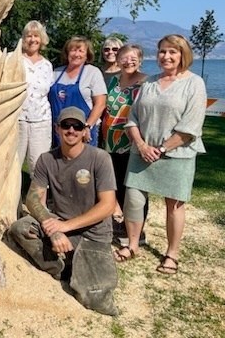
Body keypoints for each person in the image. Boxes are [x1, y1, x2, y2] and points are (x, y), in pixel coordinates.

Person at [8, 106, 118, 316]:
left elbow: (108, 205)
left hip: (92, 234)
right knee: (20, 228)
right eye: (66, 125)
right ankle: (58, 268)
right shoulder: (46, 159)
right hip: (59, 225)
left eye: (77, 126)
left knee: (97, 301)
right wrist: (54, 229)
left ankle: (75, 265)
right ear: (57, 128)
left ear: (85, 130)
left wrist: (65, 226)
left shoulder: (100, 158)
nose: (71, 130)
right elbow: (32, 198)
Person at [117, 35, 207, 275]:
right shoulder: (149, 83)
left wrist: (163, 148)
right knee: (133, 200)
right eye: (162, 52)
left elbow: (191, 125)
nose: (166, 56)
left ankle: (172, 254)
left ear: (182, 55)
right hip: (142, 151)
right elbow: (133, 117)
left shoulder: (194, 84)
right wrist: (142, 145)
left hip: (177, 153)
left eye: (172, 52)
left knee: (174, 205)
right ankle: (133, 245)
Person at [101, 45, 148, 245]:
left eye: (133, 58)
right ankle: (122, 225)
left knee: (135, 188)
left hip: (134, 141)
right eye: (124, 58)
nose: (128, 61)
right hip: (110, 141)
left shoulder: (147, 83)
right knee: (117, 183)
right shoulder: (113, 81)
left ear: (140, 60)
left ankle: (139, 231)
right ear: (118, 61)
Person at [49, 36, 107, 147]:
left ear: (87, 55)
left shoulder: (93, 72)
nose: (77, 54)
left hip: (82, 130)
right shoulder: (56, 73)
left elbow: (100, 104)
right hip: (58, 131)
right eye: (73, 50)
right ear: (67, 53)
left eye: (81, 51)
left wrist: (87, 126)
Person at [17, 21, 53, 181]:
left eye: (36, 36)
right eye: (29, 36)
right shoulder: (14, 60)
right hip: (16, 120)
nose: (32, 39)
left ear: (42, 39)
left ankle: (38, 203)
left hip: (41, 122)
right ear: (24, 39)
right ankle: (12, 204)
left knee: (39, 167)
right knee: (12, 166)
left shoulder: (47, 65)